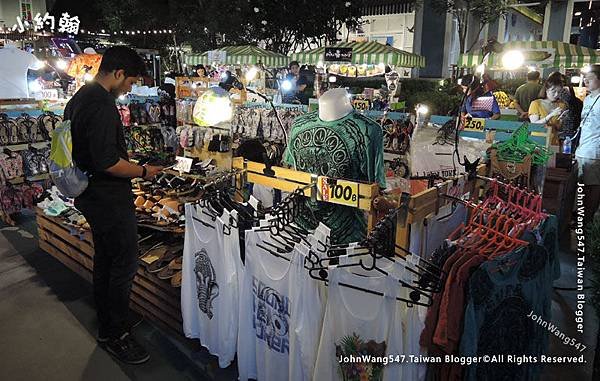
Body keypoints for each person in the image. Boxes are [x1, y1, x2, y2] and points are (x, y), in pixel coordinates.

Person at [66, 46, 162, 364]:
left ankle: (110, 318)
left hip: (92, 195)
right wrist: (145, 171)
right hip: (107, 197)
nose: (130, 89)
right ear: (118, 74)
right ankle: (115, 333)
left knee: (106, 261)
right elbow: (108, 162)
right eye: (131, 82)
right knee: (123, 264)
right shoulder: (101, 106)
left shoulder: (80, 98)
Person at [574, 64, 600, 224]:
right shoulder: (588, 98)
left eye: (589, 79)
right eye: (585, 78)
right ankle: (581, 216)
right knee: (581, 185)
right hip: (582, 149)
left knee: (594, 185)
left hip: (596, 151)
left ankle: (588, 219)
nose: (585, 81)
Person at [528, 75, 569, 145]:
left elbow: (559, 127)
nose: (556, 95)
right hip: (537, 142)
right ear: (546, 90)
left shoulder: (562, 105)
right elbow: (534, 125)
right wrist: (550, 115)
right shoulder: (536, 103)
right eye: (553, 91)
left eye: (559, 92)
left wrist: (562, 119)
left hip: (553, 141)